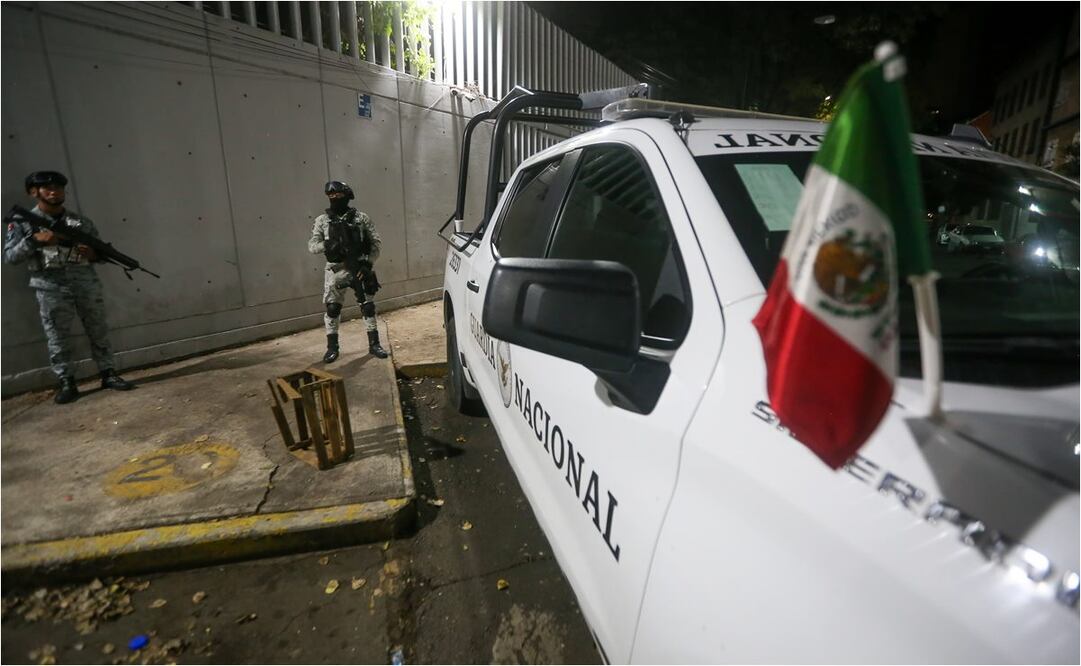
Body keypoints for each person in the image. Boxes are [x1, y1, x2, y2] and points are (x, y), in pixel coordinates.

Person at [4, 171, 135, 404]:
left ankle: (108, 373)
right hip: (50, 287)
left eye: (58, 188)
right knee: (57, 335)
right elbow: (10, 257)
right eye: (48, 188)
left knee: (98, 329)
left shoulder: (80, 222)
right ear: (33, 192)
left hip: (84, 283)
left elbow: (100, 255)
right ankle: (66, 381)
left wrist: (92, 254)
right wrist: (33, 241)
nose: (54, 192)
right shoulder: (23, 222)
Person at [307, 180, 389, 363]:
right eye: (331, 195)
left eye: (338, 194)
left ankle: (374, 344)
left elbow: (376, 243)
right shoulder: (322, 221)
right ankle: (332, 347)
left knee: (367, 306)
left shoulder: (361, 218)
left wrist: (367, 264)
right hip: (335, 270)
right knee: (333, 308)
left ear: (347, 195)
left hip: (359, 268)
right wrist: (326, 245)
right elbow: (312, 246)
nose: (334, 198)